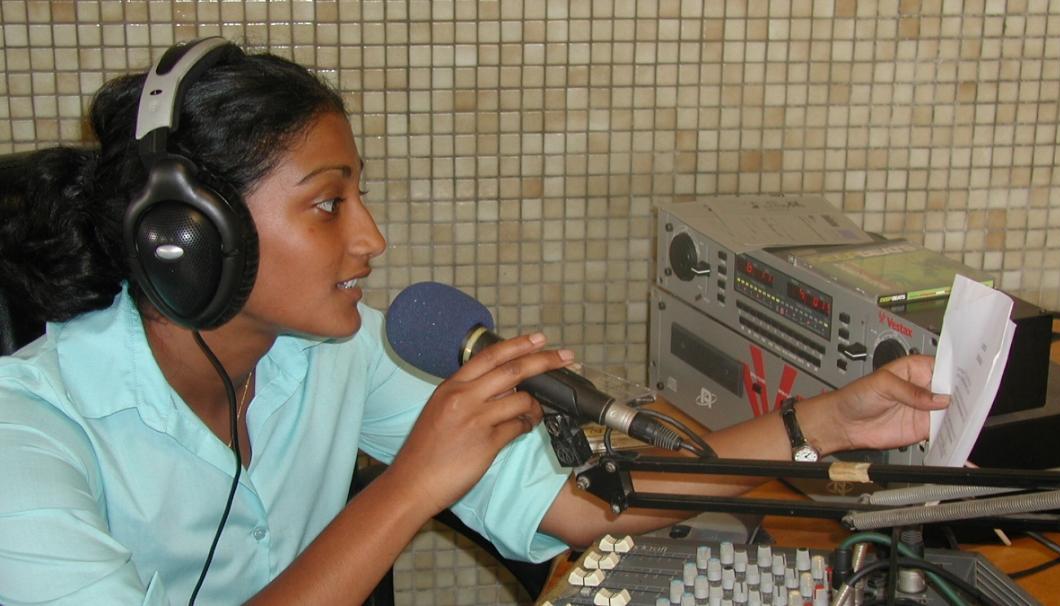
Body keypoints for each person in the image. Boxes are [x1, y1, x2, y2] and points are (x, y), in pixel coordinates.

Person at [0, 38, 948, 605]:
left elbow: (587, 504)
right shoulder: (26, 434)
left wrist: (820, 424)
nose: (371, 238)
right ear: (188, 238)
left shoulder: (335, 356)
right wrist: (411, 485)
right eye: (329, 204)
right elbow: (413, 492)